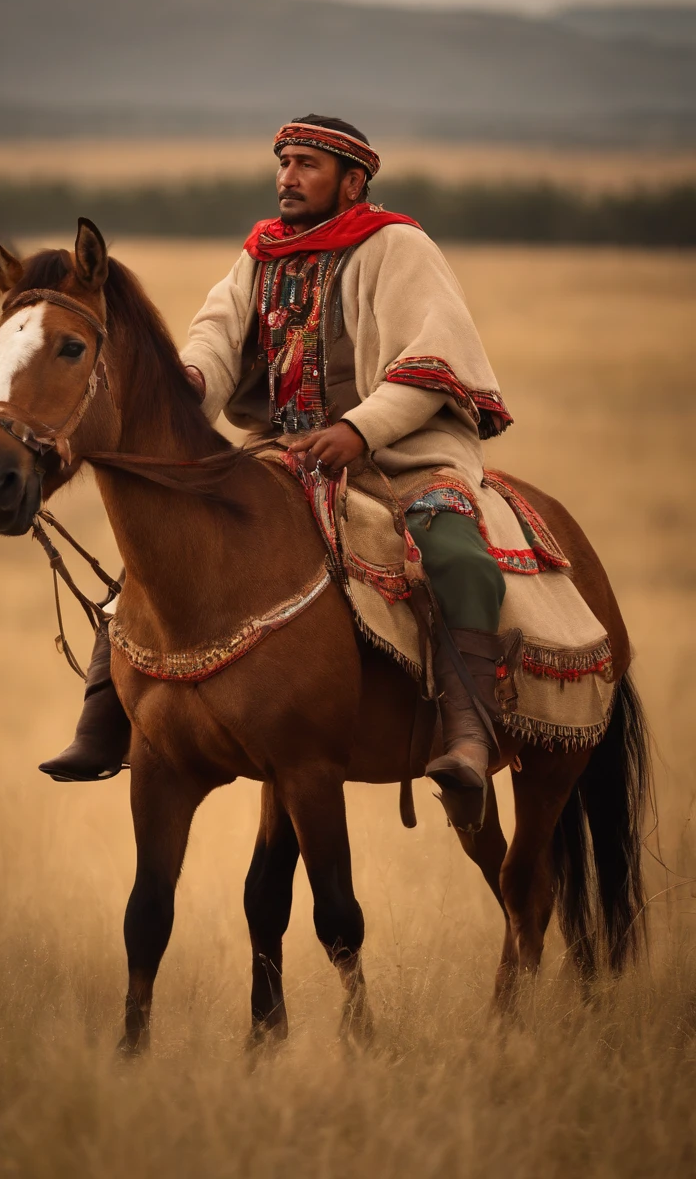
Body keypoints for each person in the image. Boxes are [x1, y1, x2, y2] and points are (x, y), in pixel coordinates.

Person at [40, 115, 513, 830]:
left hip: (400, 456)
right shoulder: (262, 253)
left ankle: (470, 735)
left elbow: (433, 361)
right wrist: (190, 384)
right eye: (283, 162)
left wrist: (359, 428)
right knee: (163, 549)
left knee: (456, 554)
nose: (287, 177)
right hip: (289, 454)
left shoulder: (398, 246)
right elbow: (216, 335)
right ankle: (107, 711)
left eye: (307, 165)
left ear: (352, 182)